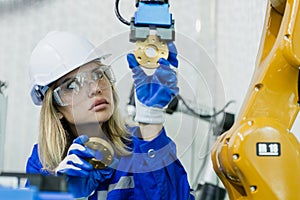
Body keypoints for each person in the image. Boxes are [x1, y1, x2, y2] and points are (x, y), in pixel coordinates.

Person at [26, 31, 194, 199]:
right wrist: (64, 192)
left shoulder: (140, 145)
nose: (95, 88)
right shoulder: (43, 162)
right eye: (71, 85)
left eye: (98, 75)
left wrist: (151, 120)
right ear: (55, 109)